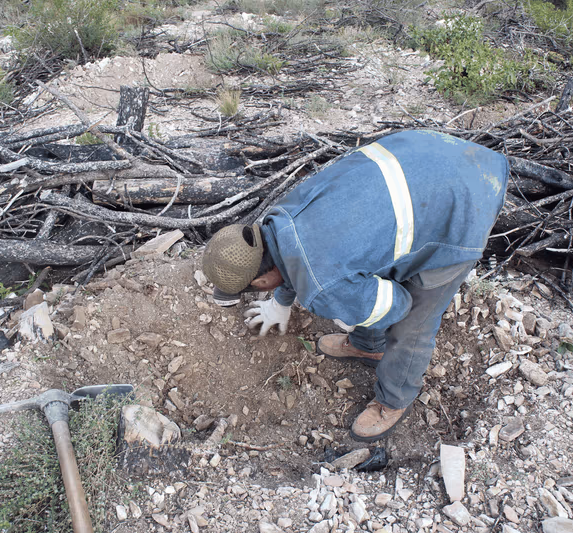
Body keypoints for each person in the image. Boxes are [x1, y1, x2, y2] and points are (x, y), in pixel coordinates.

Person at [202, 130, 509, 442]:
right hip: (427, 157)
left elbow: (399, 305)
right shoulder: (280, 215)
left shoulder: (323, 285)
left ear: (260, 279)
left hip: (463, 203)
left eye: (258, 289)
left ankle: (393, 400)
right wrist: (282, 300)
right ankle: (368, 346)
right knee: (364, 283)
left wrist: (354, 310)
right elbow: (289, 256)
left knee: (413, 323)